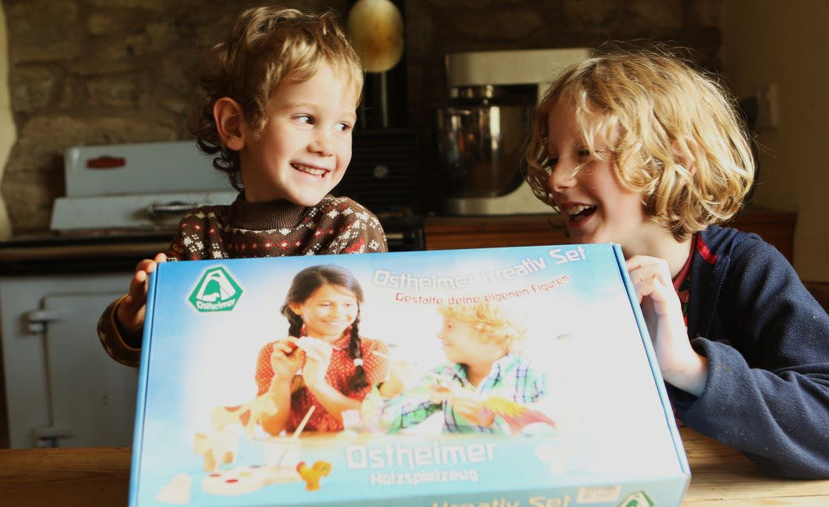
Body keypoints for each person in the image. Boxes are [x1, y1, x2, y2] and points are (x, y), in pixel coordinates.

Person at [523, 44, 829, 479]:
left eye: (584, 154)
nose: (558, 179)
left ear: (675, 161)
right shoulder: (559, 283)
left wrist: (690, 370)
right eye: (555, 156)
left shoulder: (748, 269)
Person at [98, 6, 387, 367]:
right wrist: (134, 317)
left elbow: (355, 338)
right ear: (235, 125)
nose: (327, 145)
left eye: (343, 126)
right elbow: (164, 350)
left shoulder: (350, 225)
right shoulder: (200, 234)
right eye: (305, 118)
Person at [256, 265, 391, 434]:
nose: (338, 314)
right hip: (303, 454)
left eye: (348, 304)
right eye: (326, 304)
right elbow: (271, 428)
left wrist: (317, 384)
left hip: (357, 451)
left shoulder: (373, 350)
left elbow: (369, 421)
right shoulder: (277, 353)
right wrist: (282, 378)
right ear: (297, 306)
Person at [381, 302, 553, 434]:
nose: (439, 334)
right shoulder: (442, 375)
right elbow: (385, 426)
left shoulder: (533, 373)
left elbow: (555, 430)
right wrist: (389, 391)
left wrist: (493, 417)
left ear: (488, 333)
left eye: (449, 326)